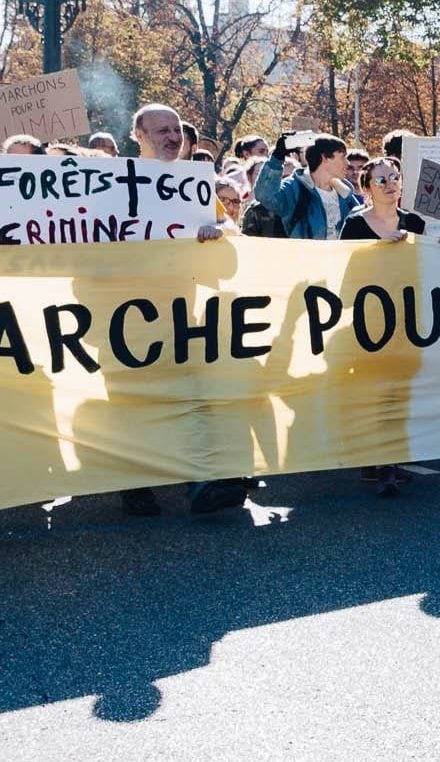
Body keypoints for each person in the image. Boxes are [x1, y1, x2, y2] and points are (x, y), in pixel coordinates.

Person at [118, 103, 239, 517]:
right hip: (124, 312)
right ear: (139, 136)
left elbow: (232, 229)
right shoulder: (114, 182)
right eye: (161, 131)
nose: (172, 137)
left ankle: (199, 483)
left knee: (188, 393)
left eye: (176, 130)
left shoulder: (194, 183)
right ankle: (135, 482)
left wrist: (217, 229)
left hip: (182, 308)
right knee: (134, 399)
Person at [337, 157, 435, 497]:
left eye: (395, 177)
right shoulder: (354, 225)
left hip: (406, 316)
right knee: (373, 390)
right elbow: (345, 271)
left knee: (399, 390)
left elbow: (427, 266)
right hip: (368, 318)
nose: (390, 184)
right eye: (381, 180)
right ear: (367, 188)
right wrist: (380, 250)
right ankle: (372, 458)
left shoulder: (414, 222)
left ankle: (390, 463)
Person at [254, 133, 359, 241]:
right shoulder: (296, 188)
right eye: (343, 156)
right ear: (325, 157)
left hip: (341, 257)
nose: (347, 163)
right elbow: (265, 196)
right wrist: (277, 157)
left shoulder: (345, 194)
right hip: (305, 256)